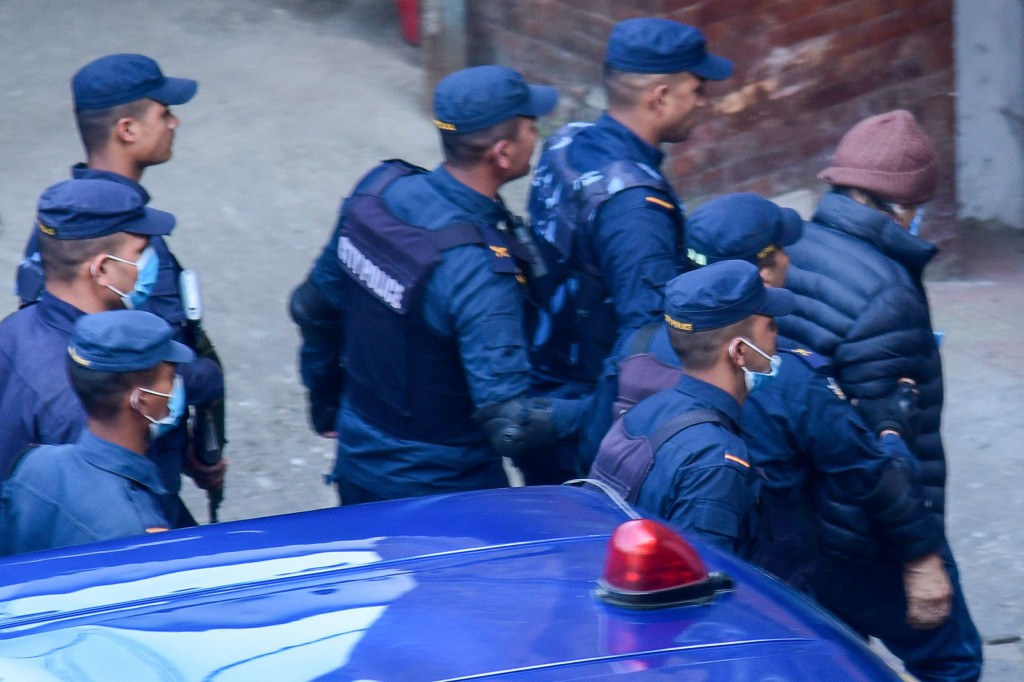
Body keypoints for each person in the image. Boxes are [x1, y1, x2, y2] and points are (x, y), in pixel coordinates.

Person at [289, 65, 586, 503]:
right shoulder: (480, 270)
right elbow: (510, 422)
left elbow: (311, 305)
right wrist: (604, 408)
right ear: (502, 153)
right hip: (446, 496)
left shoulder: (380, 189)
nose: (536, 136)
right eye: (530, 127)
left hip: (359, 461)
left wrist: (327, 402)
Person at [778, 111, 983, 681]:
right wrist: (920, 559)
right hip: (871, 533)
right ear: (904, 206)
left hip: (804, 521)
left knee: (833, 660)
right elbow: (885, 445)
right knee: (953, 661)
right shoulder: (887, 295)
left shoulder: (794, 247)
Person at [13, 54, 226, 524]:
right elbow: (146, 380)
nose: (175, 122)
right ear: (126, 129)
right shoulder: (122, 249)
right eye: (163, 112)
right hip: (138, 471)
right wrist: (204, 387)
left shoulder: (62, 225)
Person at [523, 17, 733, 482]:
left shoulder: (567, 142)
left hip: (543, 384)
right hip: (584, 425)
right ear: (659, 97)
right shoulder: (635, 208)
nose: (704, 101)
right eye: (697, 88)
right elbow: (645, 348)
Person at [591, 260, 794, 554]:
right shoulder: (715, 460)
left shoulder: (641, 413)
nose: (777, 335)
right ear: (739, 352)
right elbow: (700, 583)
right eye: (770, 326)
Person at [0, 179, 172, 479]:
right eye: (140, 251)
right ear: (102, 269)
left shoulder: (14, 328)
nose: (149, 261)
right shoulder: (90, 402)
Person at [1, 309, 193, 555]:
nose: (175, 387)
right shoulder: (137, 533)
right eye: (170, 378)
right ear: (141, 401)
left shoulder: (35, 465)